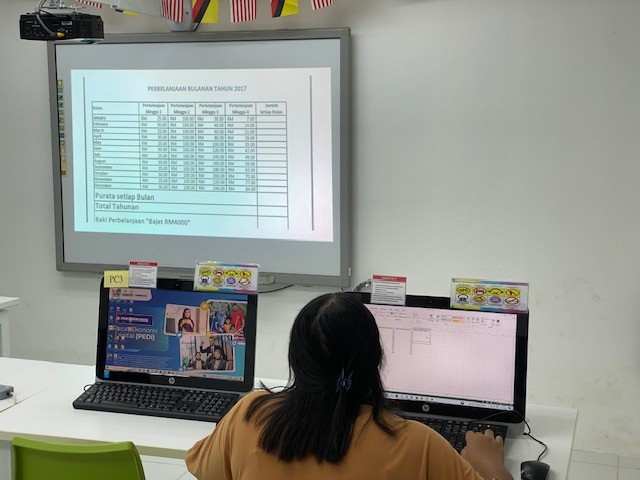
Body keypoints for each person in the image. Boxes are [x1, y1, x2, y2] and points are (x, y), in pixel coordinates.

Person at [186, 292, 513, 480]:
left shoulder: (248, 414)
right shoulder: (419, 444)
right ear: (374, 359)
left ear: (297, 359)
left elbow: (203, 467)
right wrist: (493, 466)